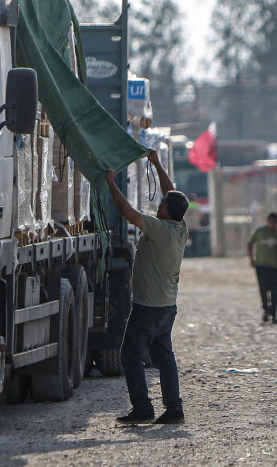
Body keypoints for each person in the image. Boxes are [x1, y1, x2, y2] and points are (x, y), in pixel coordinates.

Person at [105, 148, 190, 425]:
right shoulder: (180, 227)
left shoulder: (158, 227)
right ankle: (174, 408)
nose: (160, 203)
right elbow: (172, 193)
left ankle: (142, 407)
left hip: (148, 307)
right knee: (164, 356)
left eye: (163, 203)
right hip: (167, 307)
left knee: (129, 355)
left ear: (166, 210)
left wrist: (110, 183)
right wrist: (156, 164)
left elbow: (128, 213)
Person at [247, 212, 277, 324]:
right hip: (261, 266)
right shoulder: (260, 232)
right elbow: (250, 243)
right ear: (267, 221)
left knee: (274, 291)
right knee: (263, 289)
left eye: (275, 222)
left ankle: (274, 314)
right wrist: (251, 259)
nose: (272, 224)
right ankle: (266, 310)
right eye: (271, 221)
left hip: (275, 267)